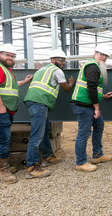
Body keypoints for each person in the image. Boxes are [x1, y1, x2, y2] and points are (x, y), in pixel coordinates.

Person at [0, 43, 33, 184]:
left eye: (12, 56)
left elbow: (10, 87)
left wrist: (25, 81)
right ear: (0, 55)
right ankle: (3, 171)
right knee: (3, 139)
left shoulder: (6, 70)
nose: (10, 57)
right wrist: (0, 106)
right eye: (7, 55)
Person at [23, 49, 75, 179]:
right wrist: (72, 83)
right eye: (60, 60)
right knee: (37, 135)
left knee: (44, 130)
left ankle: (47, 156)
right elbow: (66, 89)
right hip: (39, 103)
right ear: (53, 60)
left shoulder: (41, 69)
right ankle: (32, 167)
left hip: (35, 102)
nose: (63, 63)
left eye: (64, 61)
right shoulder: (57, 71)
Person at [71, 44, 112, 172]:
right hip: (84, 105)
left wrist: (103, 96)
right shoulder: (92, 67)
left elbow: (93, 89)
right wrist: (97, 108)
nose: (103, 57)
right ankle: (80, 162)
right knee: (84, 133)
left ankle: (97, 155)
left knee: (99, 126)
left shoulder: (94, 66)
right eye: (101, 54)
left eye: (105, 56)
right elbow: (90, 88)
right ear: (95, 53)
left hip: (87, 103)